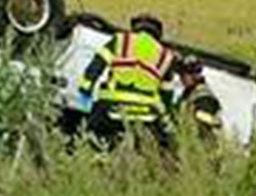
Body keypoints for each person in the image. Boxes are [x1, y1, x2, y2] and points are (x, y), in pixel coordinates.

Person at [76, 11, 182, 151]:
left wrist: (85, 90)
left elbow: (96, 66)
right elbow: (166, 95)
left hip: (111, 109)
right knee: (146, 152)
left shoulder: (121, 40)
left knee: (94, 142)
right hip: (145, 116)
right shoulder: (165, 56)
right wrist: (166, 122)